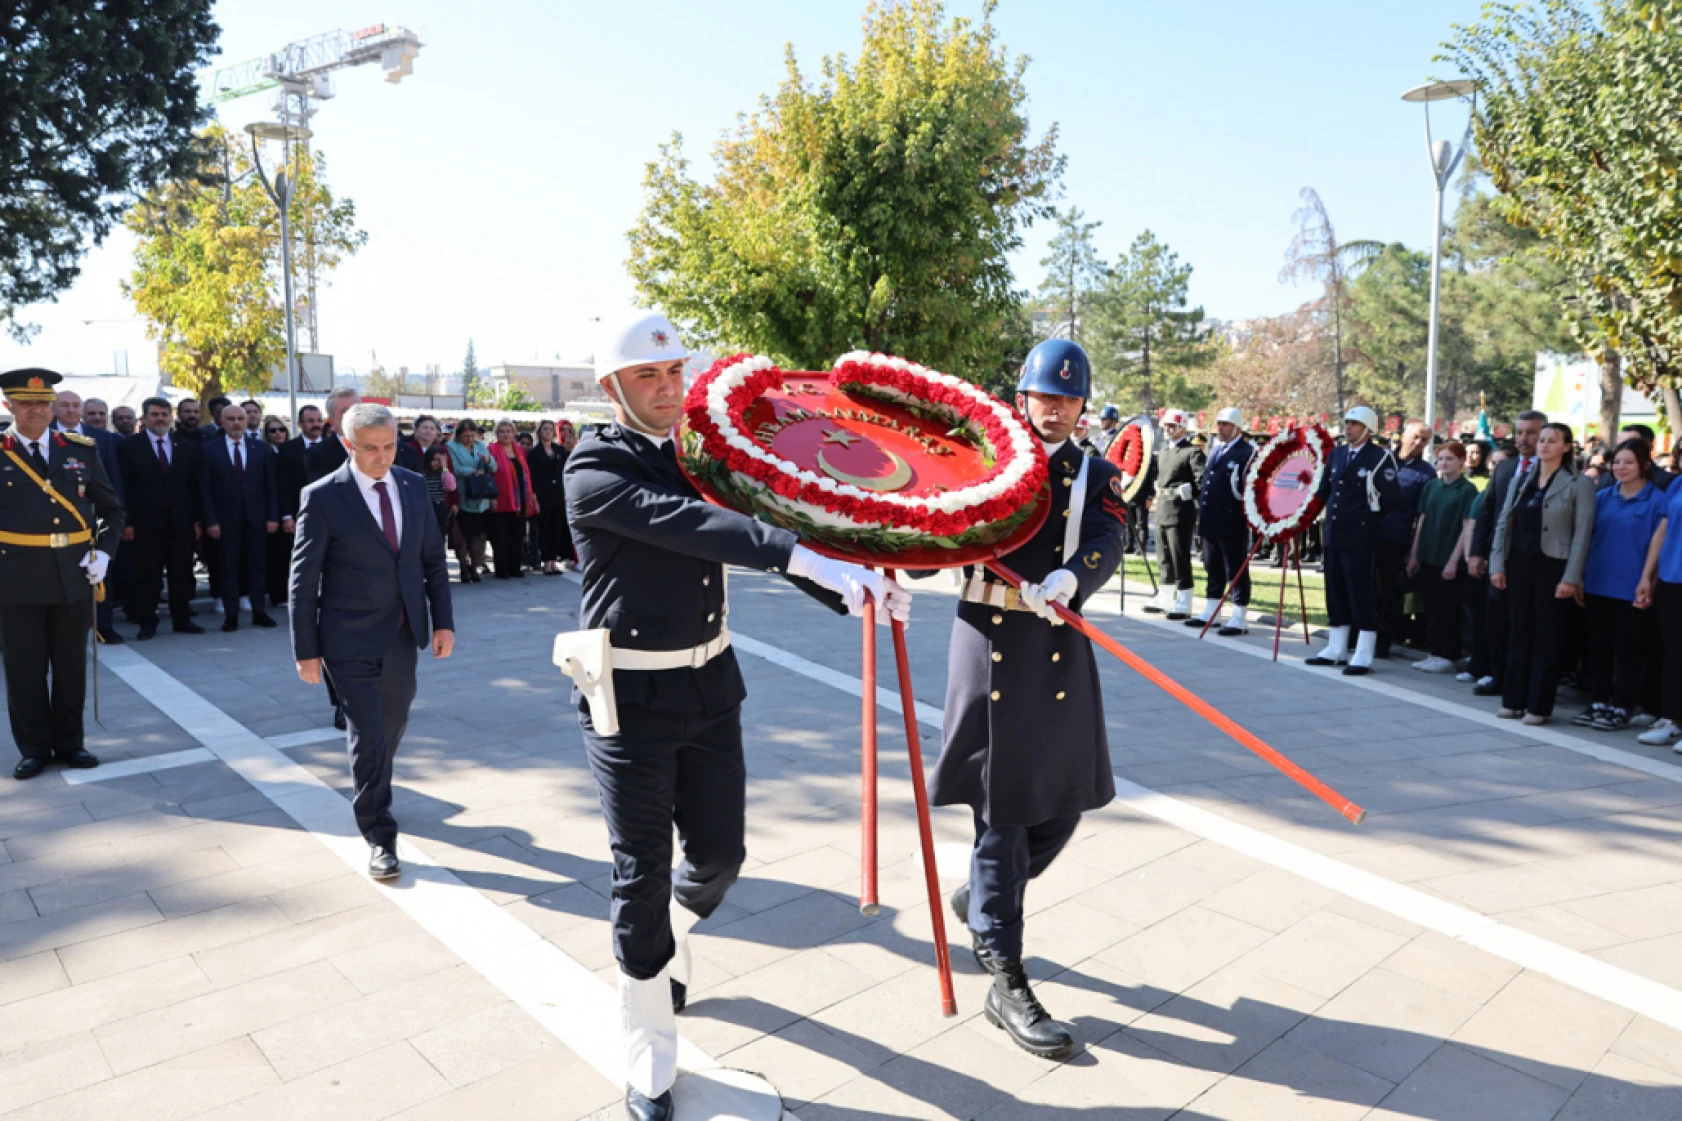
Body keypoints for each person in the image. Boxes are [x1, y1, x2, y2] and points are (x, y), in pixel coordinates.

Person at [561, 311, 905, 1121]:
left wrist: (851, 582)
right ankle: (648, 1046)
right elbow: (697, 526)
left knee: (720, 855)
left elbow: (769, 519)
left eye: (675, 372)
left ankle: (673, 933)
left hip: (711, 686)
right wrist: (794, 551)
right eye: (648, 376)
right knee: (638, 872)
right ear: (612, 387)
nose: (668, 387)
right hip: (629, 700)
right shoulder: (592, 464)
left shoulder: (701, 457)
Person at [931, 337, 1123, 1064]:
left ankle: (983, 900)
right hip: (989, 641)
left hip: (1058, 638)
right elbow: (936, 515)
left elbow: (1108, 534)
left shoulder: (1095, 472)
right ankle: (1006, 976)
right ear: (1022, 399)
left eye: (1068, 399)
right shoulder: (984, 460)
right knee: (1002, 812)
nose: (1055, 409)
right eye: (1045, 396)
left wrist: (1075, 577)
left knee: (1064, 802)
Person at [289, 404, 454, 881]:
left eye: (389, 446)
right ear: (348, 445)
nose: (381, 457)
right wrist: (306, 650)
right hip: (346, 636)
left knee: (394, 719)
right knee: (369, 731)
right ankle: (379, 832)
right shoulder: (322, 497)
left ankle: (374, 781)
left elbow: (432, 561)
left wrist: (443, 622)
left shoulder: (410, 485)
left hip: (403, 630)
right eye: (370, 449)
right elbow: (303, 581)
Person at [0, 368, 124, 780]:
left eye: (42, 403)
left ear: (52, 406)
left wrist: (103, 554)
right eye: (25, 403)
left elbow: (111, 510)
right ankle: (34, 748)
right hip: (15, 579)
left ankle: (71, 743)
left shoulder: (80, 449)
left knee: (71, 665)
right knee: (24, 669)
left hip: (73, 575)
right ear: (8, 406)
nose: (35, 410)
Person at [1489, 422, 1596, 725]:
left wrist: (1571, 577)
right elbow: (1503, 522)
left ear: (1566, 447)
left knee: (1546, 637)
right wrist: (1497, 564)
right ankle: (1513, 700)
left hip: (1554, 566)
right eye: (1542, 440)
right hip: (1519, 564)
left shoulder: (1579, 483)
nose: (1544, 445)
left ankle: (1539, 706)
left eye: (1552, 441)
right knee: (1519, 632)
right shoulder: (1522, 478)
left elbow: (1582, 534)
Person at [1576, 440, 1665, 730]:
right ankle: (1599, 701)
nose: (1621, 468)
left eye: (1628, 462)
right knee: (1598, 647)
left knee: (1628, 651)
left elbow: (1657, 545)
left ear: (1644, 465)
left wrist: (1647, 581)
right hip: (1597, 581)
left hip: (1631, 587)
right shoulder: (1602, 497)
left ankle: (1622, 705)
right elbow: (1586, 539)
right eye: (1616, 462)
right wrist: (1578, 575)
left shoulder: (1657, 500)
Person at [1306, 405, 1400, 675]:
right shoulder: (1337, 454)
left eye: (1355, 424)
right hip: (1334, 534)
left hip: (1361, 536)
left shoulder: (1380, 458)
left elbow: (1392, 499)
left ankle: (1363, 653)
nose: (1348, 428)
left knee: (1361, 594)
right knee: (1335, 591)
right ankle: (1336, 648)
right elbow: (1325, 490)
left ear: (1368, 429)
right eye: (1346, 423)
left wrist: (1367, 517)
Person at [1466, 411, 1546, 696]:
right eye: (1520, 432)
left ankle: (1521, 681)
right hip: (1499, 559)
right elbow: (1487, 512)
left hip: (1532, 561)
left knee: (1524, 625)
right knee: (1497, 621)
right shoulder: (1504, 469)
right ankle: (1499, 675)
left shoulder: (1550, 470)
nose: (1525, 439)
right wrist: (1477, 553)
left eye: (1532, 433)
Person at [116, 396, 206, 640]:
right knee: (147, 575)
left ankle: (182, 619)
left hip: (180, 522)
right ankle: (147, 622)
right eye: (155, 415)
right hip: (145, 523)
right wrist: (128, 522)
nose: (160, 419)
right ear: (144, 418)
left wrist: (197, 520)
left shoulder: (184, 446)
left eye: (164, 415)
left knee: (181, 573)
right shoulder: (129, 447)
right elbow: (123, 486)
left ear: (171, 417)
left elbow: (193, 486)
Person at [53, 389, 126, 643]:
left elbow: (113, 481)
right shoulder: (43, 437)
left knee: (101, 573)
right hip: (58, 522)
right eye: (64, 405)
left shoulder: (101, 438)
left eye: (75, 405)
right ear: (54, 408)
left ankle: (103, 626)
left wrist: (119, 517)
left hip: (95, 519)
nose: (71, 410)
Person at [199, 403, 279, 631]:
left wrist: (273, 516)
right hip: (225, 520)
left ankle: (259, 612)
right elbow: (205, 489)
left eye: (240, 419)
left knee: (258, 566)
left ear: (247, 422)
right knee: (228, 568)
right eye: (231, 419)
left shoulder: (261, 448)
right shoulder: (209, 449)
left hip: (257, 518)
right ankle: (231, 615)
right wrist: (211, 520)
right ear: (222, 422)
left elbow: (270, 486)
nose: (236, 423)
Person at [1407, 441, 1477, 673]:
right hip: (1428, 554)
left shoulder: (1467, 490)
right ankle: (1435, 651)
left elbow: (1466, 528)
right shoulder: (1432, 486)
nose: (1444, 463)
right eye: (1441, 458)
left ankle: (1449, 653)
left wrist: (1454, 560)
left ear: (1461, 461)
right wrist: (1415, 553)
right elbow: (1422, 520)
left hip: (1448, 557)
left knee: (1449, 608)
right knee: (1432, 606)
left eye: (1450, 458)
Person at [1187, 406, 1254, 635]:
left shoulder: (1247, 452)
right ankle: (1212, 609)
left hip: (1231, 520)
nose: (1220, 428)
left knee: (1235, 567)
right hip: (1211, 518)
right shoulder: (1216, 451)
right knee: (1212, 565)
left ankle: (1239, 614)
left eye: (1225, 425)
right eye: (1218, 424)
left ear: (1237, 427)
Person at [1377, 421, 1436, 659]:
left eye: (1424, 440)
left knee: (1390, 595)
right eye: (1416, 436)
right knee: (1364, 589)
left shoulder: (1426, 473)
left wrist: (1413, 551)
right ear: (1404, 436)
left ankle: (1382, 643)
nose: (1419, 442)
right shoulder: (1380, 460)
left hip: (1396, 540)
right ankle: (1354, 636)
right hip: (1367, 535)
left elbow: (1422, 515)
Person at [1144, 409, 1204, 619]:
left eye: (1171, 426)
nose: (1167, 430)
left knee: (1179, 556)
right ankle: (1165, 595)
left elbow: (1201, 482)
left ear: (1182, 428)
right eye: (1166, 426)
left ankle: (1184, 598)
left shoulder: (1192, 452)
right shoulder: (1165, 452)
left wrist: (1189, 492)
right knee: (1164, 556)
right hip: (1162, 509)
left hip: (1180, 510)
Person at [485, 420, 537, 578]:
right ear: (497, 434)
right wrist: (491, 498)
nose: (505, 434)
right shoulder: (491, 450)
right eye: (502, 431)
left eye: (508, 431)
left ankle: (515, 566)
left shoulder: (519, 451)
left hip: (520, 500)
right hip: (500, 499)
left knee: (517, 535)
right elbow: (488, 474)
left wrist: (531, 497)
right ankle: (502, 569)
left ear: (514, 433)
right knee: (500, 536)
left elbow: (526, 474)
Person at [448, 420, 495, 581]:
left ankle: (475, 565)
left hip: (481, 497)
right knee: (462, 536)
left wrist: (487, 461)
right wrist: (472, 471)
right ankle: (463, 566)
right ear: (459, 434)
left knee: (479, 536)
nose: (469, 439)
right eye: (466, 436)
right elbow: (453, 468)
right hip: (463, 496)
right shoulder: (451, 447)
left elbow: (494, 466)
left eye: (472, 435)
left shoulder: (481, 445)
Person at [529, 418, 572, 574]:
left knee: (556, 529)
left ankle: (553, 561)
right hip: (542, 495)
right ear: (539, 432)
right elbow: (532, 477)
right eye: (545, 429)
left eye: (550, 429)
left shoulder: (559, 450)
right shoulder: (534, 452)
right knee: (545, 529)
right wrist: (534, 499)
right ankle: (546, 562)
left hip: (558, 495)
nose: (547, 432)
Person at [306, 386, 359, 483]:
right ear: (332, 422)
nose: (353, 415)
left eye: (356, 410)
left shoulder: (388, 446)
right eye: (345, 412)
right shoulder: (317, 455)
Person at [1598, 425, 1674, 491]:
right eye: (1619, 446)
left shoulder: (1666, 481)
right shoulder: (1606, 479)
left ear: (1649, 447)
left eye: (1629, 445)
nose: (1622, 450)